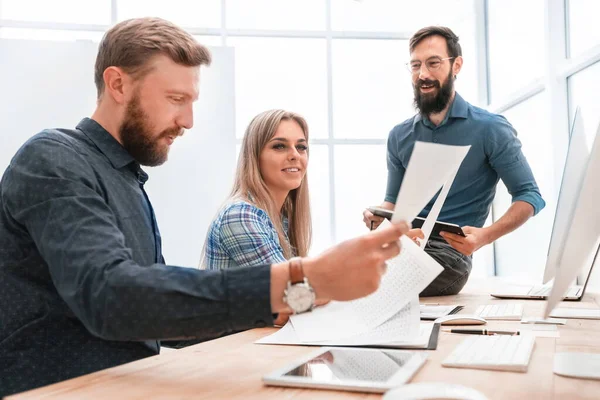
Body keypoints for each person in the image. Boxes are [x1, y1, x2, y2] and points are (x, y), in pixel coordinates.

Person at [0, 17, 410, 396]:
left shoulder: (127, 179)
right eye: (176, 99)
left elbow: (158, 317)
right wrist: (302, 280)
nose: (189, 120)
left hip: (119, 385)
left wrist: (290, 307)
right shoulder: (54, 159)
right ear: (118, 84)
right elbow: (113, 299)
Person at [363, 26, 545, 297]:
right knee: (346, 266)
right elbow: (392, 203)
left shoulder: (490, 129)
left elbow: (530, 196)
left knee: (366, 282)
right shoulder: (399, 136)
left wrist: (484, 236)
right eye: (415, 65)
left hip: (449, 256)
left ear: (456, 65)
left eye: (433, 63)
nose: (423, 74)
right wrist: (377, 213)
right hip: (404, 246)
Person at [202, 109, 311, 270]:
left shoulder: (280, 218)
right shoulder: (240, 215)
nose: (295, 155)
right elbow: (297, 290)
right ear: (254, 156)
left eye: (301, 147)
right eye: (279, 146)